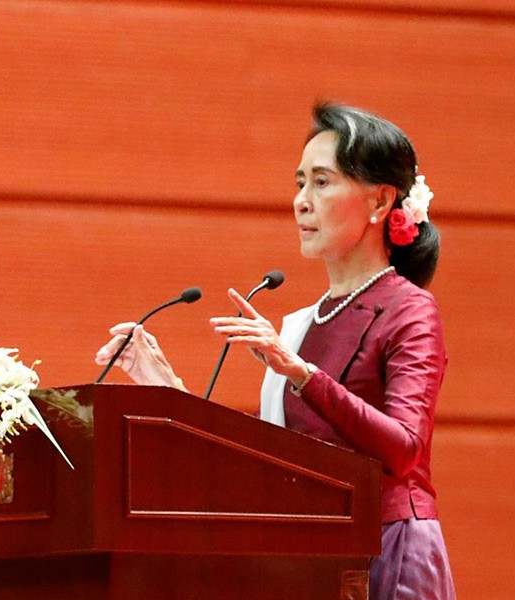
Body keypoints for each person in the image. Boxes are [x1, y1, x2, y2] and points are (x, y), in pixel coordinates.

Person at [95, 102, 456, 600]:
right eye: (299, 182)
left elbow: (404, 448)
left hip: (388, 553)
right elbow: (263, 467)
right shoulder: (303, 324)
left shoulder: (411, 311)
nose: (302, 201)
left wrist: (302, 373)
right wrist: (165, 388)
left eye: (322, 182)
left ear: (380, 203)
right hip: (310, 560)